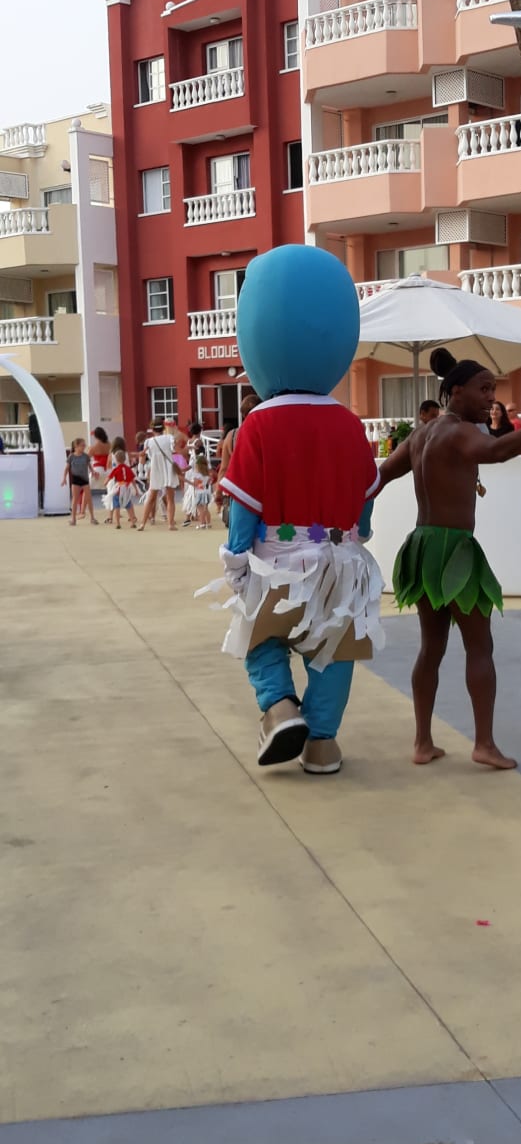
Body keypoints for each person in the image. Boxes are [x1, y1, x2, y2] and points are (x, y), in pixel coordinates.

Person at [202, 245, 383, 776]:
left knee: (261, 639)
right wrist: (358, 533)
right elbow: (366, 504)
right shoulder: (349, 423)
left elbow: (244, 508)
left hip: (278, 561)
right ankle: (322, 743)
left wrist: (236, 560)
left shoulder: (259, 423)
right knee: (335, 653)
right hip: (342, 560)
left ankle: (280, 707)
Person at [377, 348, 521, 770]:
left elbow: (378, 477)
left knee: (431, 647)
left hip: (422, 545)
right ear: (456, 391)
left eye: (493, 389)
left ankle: (422, 742)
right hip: (454, 549)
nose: (490, 398)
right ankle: (484, 744)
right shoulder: (458, 432)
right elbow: (501, 450)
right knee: (479, 645)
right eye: (484, 389)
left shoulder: (421, 435)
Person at [137, 419, 177, 530]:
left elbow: (145, 456)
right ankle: (171, 524)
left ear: (152, 429)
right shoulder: (169, 438)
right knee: (170, 498)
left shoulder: (148, 442)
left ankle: (142, 524)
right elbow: (174, 449)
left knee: (151, 497)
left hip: (156, 468)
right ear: (163, 428)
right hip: (168, 467)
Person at [62, 439, 97, 525]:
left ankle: (92, 518)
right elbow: (66, 468)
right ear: (76, 446)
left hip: (85, 480)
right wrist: (64, 478)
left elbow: (90, 466)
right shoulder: (71, 457)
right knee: (75, 499)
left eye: (84, 445)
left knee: (89, 499)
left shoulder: (86, 456)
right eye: (82, 445)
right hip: (76, 480)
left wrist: (93, 472)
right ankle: (73, 519)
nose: (84, 447)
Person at [107, 447, 138, 529]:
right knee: (128, 506)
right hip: (126, 489)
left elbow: (110, 477)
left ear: (116, 460)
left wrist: (105, 482)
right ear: (125, 459)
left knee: (117, 507)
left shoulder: (116, 469)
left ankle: (118, 523)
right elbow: (132, 480)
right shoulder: (128, 469)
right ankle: (132, 522)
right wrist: (136, 490)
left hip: (118, 489)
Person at [187, 454, 214, 528]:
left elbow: (196, 485)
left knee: (200, 509)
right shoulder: (208, 474)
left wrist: (186, 481)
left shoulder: (197, 475)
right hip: (206, 492)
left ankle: (202, 523)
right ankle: (208, 523)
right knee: (206, 509)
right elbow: (209, 482)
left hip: (200, 493)